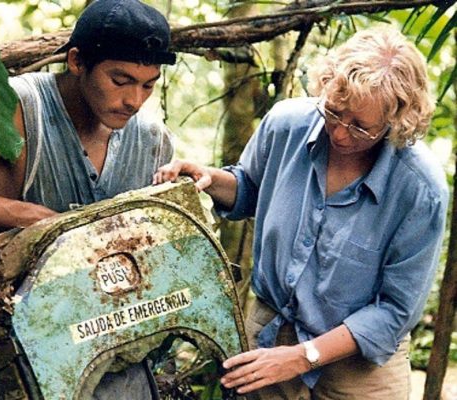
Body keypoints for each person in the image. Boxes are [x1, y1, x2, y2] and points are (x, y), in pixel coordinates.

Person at [154, 27, 448, 399]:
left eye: (361, 127)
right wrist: (209, 178)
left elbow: (394, 311)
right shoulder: (287, 124)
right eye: (334, 113)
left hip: (360, 362)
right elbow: (251, 189)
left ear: (396, 122)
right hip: (270, 332)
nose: (340, 134)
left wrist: (303, 356)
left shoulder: (420, 189)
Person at [0, 0, 176, 398]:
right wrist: (36, 221)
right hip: (27, 356)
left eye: (148, 84)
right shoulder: (18, 106)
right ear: (77, 61)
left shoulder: (150, 139)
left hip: (122, 358)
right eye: (120, 79)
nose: (134, 99)